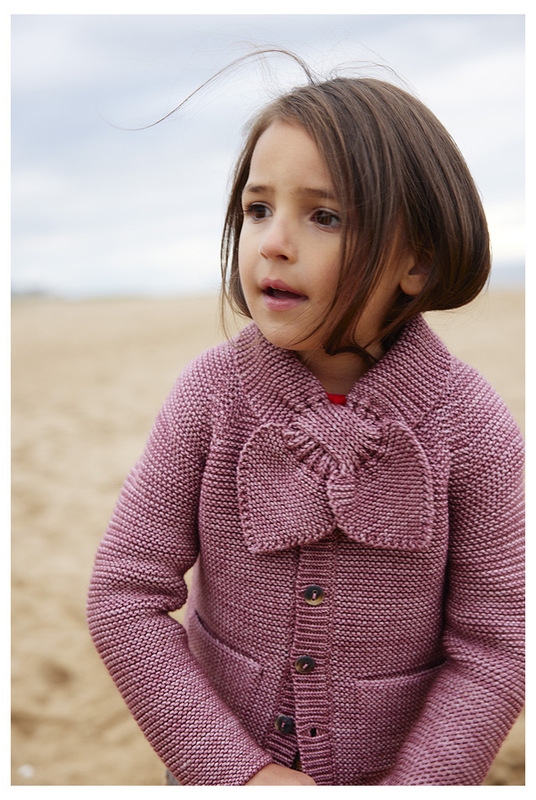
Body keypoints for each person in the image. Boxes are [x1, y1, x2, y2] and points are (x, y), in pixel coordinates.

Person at [87, 67, 524, 786]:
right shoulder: (210, 395)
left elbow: (496, 649)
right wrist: (237, 772)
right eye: (258, 209)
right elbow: (123, 596)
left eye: (324, 216)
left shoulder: (472, 424)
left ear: (417, 261)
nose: (273, 242)